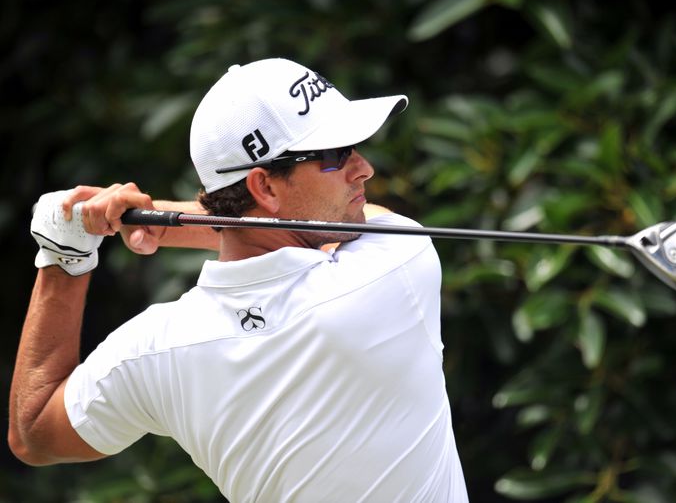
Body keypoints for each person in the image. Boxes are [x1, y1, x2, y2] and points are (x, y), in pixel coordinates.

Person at [9, 58, 468, 502]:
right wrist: (165, 227)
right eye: (334, 156)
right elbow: (365, 223)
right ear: (264, 187)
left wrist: (64, 253)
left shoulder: (157, 349)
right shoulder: (396, 264)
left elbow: (33, 434)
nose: (362, 168)